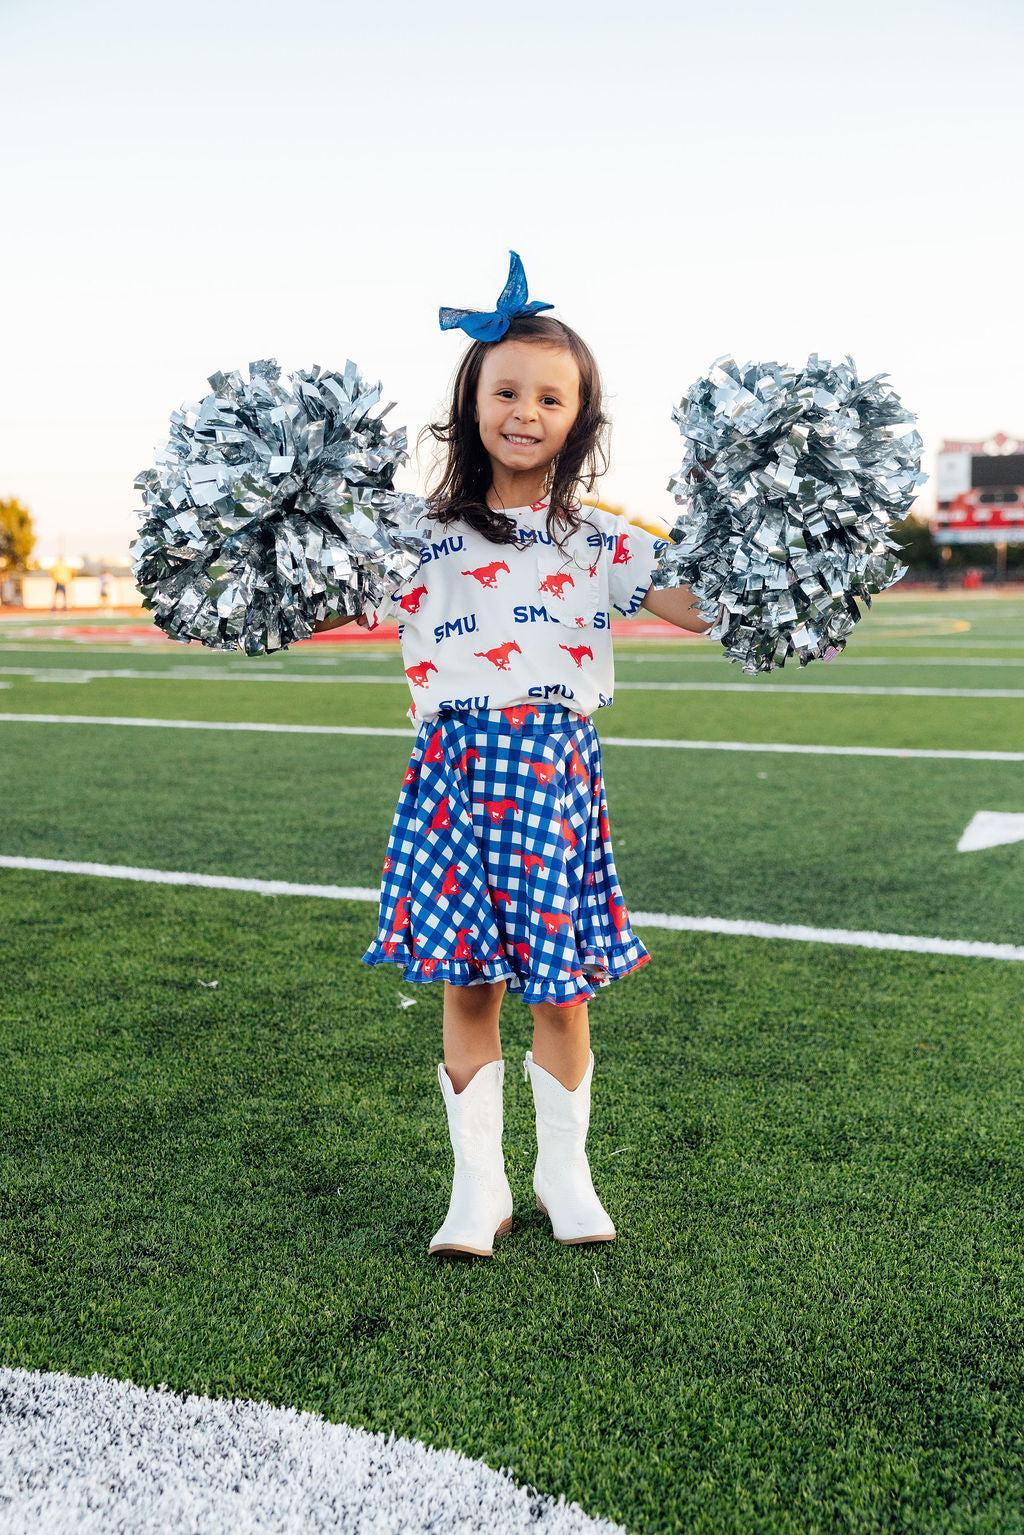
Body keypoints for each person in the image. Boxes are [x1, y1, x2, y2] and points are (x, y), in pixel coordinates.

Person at [315, 252, 711, 1259]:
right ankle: (478, 1185)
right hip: (452, 770)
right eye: (505, 391)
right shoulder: (412, 534)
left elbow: (698, 608)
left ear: (578, 418)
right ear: (470, 403)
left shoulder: (601, 539)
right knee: (467, 983)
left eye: (549, 396)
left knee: (562, 986)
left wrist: (766, 547)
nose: (524, 411)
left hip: (554, 771)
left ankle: (563, 1173)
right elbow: (313, 590)